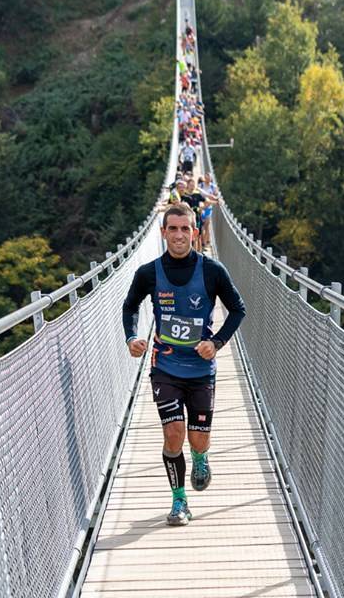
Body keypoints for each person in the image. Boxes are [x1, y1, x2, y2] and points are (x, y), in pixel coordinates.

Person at [122, 202, 246, 526]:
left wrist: (216, 343)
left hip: (202, 370)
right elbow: (130, 306)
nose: (179, 235)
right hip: (165, 366)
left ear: (195, 232)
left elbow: (238, 309)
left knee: (197, 439)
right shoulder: (147, 273)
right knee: (173, 433)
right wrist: (131, 336)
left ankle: (201, 457)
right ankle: (179, 502)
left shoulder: (213, 271)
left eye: (185, 229)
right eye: (172, 229)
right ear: (163, 232)